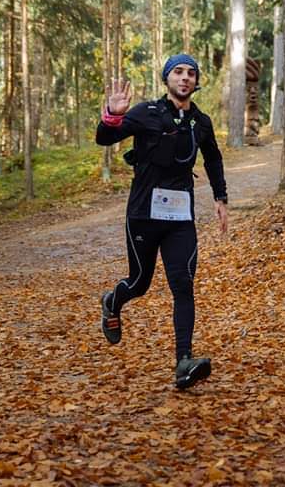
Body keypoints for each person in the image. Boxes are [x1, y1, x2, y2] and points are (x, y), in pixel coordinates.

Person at [96, 54, 228, 390]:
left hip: (180, 219)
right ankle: (113, 301)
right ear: (167, 78)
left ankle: (184, 362)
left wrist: (220, 198)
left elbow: (212, 158)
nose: (185, 78)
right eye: (178, 72)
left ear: (197, 82)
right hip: (143, 215)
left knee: (182, 284)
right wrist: (113, 114)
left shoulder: (202, 122)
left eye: (191, 73)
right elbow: (104, 138)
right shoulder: (146, 113)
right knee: (139, 282)